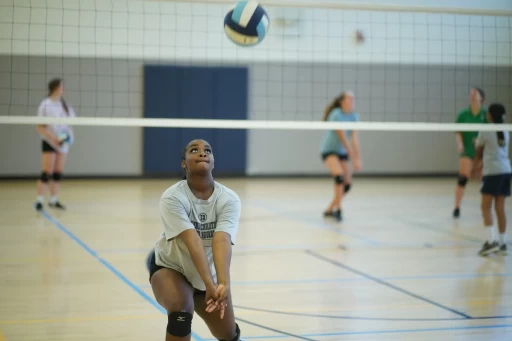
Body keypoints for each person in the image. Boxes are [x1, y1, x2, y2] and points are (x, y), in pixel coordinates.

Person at [147, 139, 244, 341]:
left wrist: (222, 284)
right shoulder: (172, 197)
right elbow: (193, 242)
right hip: (172, 267)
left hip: (206, 274)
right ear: (184, 163)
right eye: (194, 150)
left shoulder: (228, 198)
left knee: (229, 335)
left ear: (213, 161)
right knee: (181, 312)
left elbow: (222, 240)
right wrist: (210, 285)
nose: (202, 153)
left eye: (207, 150)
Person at [473, 103, 510, 256]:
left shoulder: (486, 130)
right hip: (506, 170)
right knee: (499, 208)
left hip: (493, 172)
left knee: (485, 207)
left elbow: (479, 152)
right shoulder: (506, 130)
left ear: (490, 115)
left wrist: (475, 168)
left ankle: (491, 242)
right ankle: (502, 244)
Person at [34, 78, 76, 211]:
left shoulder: (65, 105)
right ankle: (39, 200)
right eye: (61, 87)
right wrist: (53, 137)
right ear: (55, 88)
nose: (63, 89)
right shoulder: (45, 104)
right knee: (47, 172)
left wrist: (66, 137)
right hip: (49, 141)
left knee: (58, 173)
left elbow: (72, 123)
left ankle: (54, 200)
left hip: (63, 143)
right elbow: (40, 127)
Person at [319, 91, 361, 222]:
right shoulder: (336, 114)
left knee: (347, 184)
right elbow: (341, 135)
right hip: (329, 150)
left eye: (353, 99)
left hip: (342, 152)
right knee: (339, 176)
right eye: (349, 98)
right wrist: (351, 154)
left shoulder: (354, 116)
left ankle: (330, 209)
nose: (352, 101)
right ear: (342, 101)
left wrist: (357, 159)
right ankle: (338, 209)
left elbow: (354, 139)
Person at [453, 87, 487, 218]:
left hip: (482, 151)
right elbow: (458, 131)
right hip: (467, 150)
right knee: (462, 178)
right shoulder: (463, 114)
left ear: (481, 98)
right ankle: (456, 207)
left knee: (485, 178)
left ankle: (485, 207)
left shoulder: (486, 114)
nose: (472, 96)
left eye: (475, 94)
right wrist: (460, 143)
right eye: (471, 94)